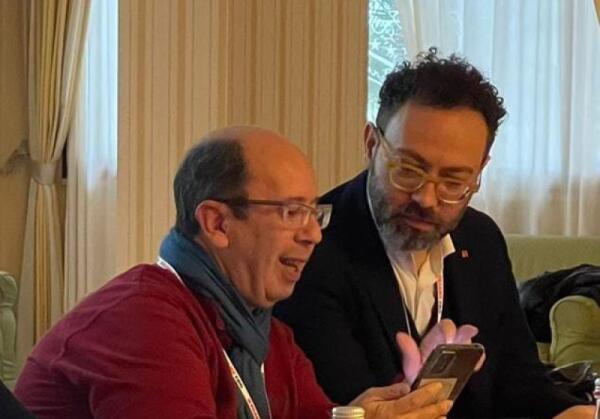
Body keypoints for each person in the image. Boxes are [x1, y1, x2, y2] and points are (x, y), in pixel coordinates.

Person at [14, 126, 453, 419]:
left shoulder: (268, 335)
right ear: (217, 224)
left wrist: (370, 411)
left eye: (312, 213)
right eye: (292, 212)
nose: (313, 235)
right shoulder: (142, 321)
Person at [274, 49, 594, 418]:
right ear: (371, 144)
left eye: (454, 182)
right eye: (409, 170)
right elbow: (347, 405)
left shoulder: (481, 239)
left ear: (480, 170)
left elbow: (518, 381)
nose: (426, 198)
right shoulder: (312, 248)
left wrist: (568, 412)